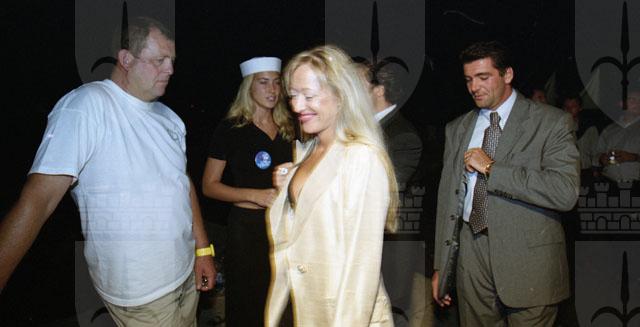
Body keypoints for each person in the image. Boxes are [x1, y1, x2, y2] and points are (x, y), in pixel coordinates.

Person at [0, 17, 215, 326]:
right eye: (159, 60)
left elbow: (182, 182)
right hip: (142, 292)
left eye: (172, 60)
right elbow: (38, 200)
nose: (170, 69)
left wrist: (203, 249)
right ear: (126, 59)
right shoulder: (86, 106)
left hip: (184, 272)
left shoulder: (170, 118)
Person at [432, 41, 579, 326]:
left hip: (529, 260)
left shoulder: (551, 122)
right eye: (468, 80)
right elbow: (447, 200)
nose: (474, 87)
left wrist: (491, 169)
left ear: (507, 74)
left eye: (483, 77)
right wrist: (442, 266)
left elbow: (565, 192)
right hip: (472, 256)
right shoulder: (457, 128)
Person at [267, 45, 398, 326]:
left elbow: (362, 266)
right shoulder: (308, 151)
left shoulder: (361, 157)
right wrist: (286, 188)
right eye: (293, 96)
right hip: (299, 305)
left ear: (341, 95)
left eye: (309, 96)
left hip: (341, 314)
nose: (297, 106)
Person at [202, 56, 294, 326]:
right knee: (247, 304)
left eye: (276, 82)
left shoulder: (290, 127)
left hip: (282, 226)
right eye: (263, 82)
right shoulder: (231, 128)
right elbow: (209, 185)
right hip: (246, 230)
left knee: (281, 304)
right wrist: (254, 195)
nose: (272, 90)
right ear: (248, 86)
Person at [359, 62, 429, 326]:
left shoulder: (403, 135)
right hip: (365, 242)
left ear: (379, 90)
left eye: (359, 85)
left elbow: (384, 191)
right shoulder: (361, 128)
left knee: (391, 314)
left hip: (390, 247)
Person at [595, 89, 640, 185]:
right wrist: (601, 158)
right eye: (632, 99)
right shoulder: (609, 129)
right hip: (609, 183)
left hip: (636, 185)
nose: (637, 103)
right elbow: (596, 154)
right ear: (621, 104)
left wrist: (633, 157)